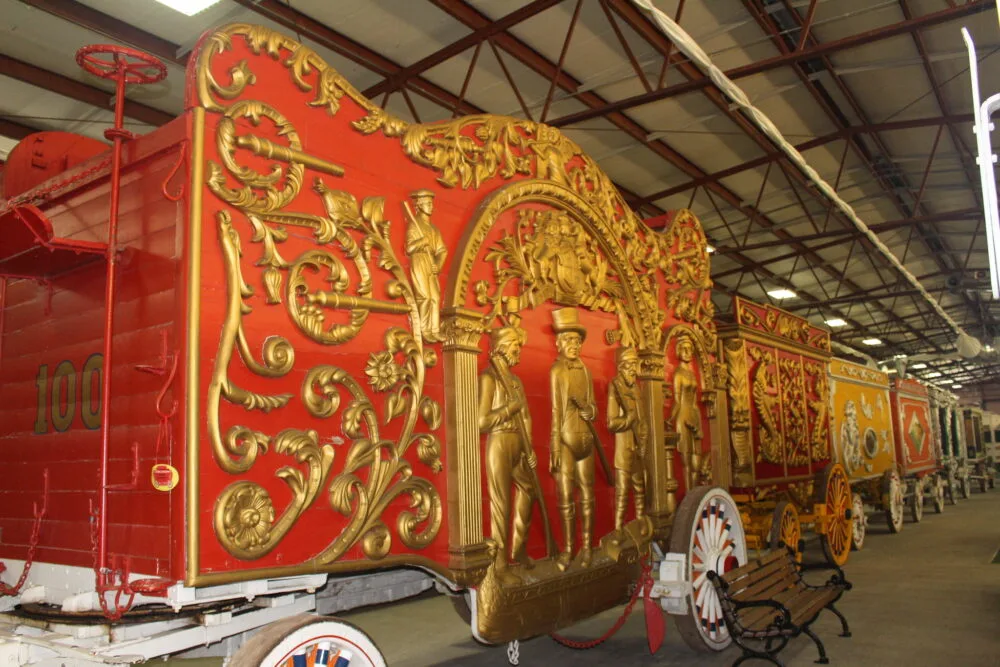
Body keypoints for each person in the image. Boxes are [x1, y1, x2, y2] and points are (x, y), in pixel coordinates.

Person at [478, 325, 536, 584]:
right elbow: (482, 421)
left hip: (517, 442)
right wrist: (506, 409)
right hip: (499, 441)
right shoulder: (489, 378)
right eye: (515, 344)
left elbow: (526, 417)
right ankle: (499, 562)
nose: (518, 350)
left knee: (528, 490)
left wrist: (529, 448)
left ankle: (518, 548)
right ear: (501, 346)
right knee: (501, 504)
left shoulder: (516, 381)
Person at [548, 308, 597, 570]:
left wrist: (591, 411)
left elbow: (593, 406)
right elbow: (556, 411)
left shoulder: (586, 371)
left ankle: (587, 547)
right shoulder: (557, 371)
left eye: (577, 341)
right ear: (558, 343)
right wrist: (555, 446)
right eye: (568, 340)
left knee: (587, 496)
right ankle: (568, 549)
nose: (574, 345)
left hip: (586, 439)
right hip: (566, 439)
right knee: (565, 496)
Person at [607, 346, 647, 541]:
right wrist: (627, 421)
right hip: (623, 448)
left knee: (640, 487)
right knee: (622, 491)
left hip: (638, 445)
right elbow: (611, 422)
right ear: (621, 366)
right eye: (630, 365)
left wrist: (644, 440)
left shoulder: (636, 389)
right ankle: (618, 528)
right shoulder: (615, 387)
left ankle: (639, 520)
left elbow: (643, 420)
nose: (634, 369)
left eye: (635, 364)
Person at [404, 190, 447, 342]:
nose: (431, 207)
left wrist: (438, 264)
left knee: (435, 297)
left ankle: (434, 329)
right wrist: (421, 242)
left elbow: (442, 250)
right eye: (428, 204)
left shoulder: (434, 230)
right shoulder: (415, 225)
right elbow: (409, 248)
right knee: (425, 296)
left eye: (431, 203)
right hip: (419, 260)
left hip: (430, 264)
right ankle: (424, 329)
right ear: (419, 205)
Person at [671, 333, 703, 491]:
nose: (687, 351)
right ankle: (689, 494)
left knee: (696, 462)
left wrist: (699, 425)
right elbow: (677, 401)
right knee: (686, 462)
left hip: (693, 414)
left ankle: (695, 494)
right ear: (678, 351)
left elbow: (696, 402)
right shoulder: (677, 374)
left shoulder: (692, 374)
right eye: (684, 348)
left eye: (690, 349)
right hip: (682, 416)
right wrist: (670, 419)